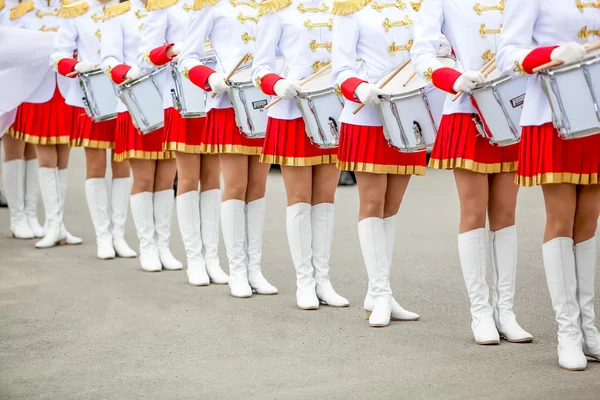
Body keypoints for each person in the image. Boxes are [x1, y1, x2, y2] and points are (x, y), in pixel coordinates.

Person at [410, 0, 532, 343]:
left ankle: (506, 312)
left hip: (511, 108)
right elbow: (422, 54)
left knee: (506, 212)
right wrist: (454, 77)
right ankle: (480, 313)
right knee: (474, 210)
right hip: (466, 109)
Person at [497, 0, 600, 371]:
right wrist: (552, 52)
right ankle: (568, 332)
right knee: (562, 220)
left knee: (588, 222)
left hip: (596, 109)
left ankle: (588, 328)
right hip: (553, 113)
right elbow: (507, 54)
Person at [252, 0, 349, 309]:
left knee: (325, 198)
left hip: (332, 109)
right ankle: (304, 281)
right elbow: (260, 67)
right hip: (292, 112)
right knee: (300, 198)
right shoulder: (276, 10)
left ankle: (323, 279)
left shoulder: (340, 8)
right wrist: (277, 83)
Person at [331, 0, 422, 327]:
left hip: (406, 113)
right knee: (372, 202)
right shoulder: (350, 9)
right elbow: (339, 70)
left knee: (392, 205)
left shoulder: (412, 7)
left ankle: (378, 292)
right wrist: (360, 88)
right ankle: (381, 292)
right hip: (366, 116)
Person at [179, 0, 277, 298]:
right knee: (236, 185)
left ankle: (254, 269)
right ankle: (236, 270)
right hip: (228, 104)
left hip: (262, 102)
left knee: (258, 186)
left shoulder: (269, 6)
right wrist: (210, 78)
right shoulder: (210, 6)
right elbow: (187, 59)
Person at [136, 0, 229, 286]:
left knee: (212, 178)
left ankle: (212, 257)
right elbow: (143, 58)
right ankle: (195, 259)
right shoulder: (165, 5)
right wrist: (173, 50)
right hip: (180, 97)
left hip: (215, 94)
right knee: (188, 178)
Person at [51, 0, 137, 260]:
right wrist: (76, 66)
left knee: (123, 164)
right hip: (91, 93)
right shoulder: (76, 10)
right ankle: (103, 235)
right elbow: (57, 54)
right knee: (96, 165)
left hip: (125, 91)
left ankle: (119, 235)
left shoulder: (131, 9)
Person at [101, 0, 181, 272]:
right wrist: (127, 72)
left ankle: (163, 246)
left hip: (171, 99)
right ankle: (147, 246)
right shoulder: (118, 12)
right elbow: (108, 60)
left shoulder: (174, 6)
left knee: (166, 179)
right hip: (136, 97)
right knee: (145, 179)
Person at [8, 0, 82, 248]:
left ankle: (56, 224)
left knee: (63, 158)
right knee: (45, 157)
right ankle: (30, 218)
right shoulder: (23, 12)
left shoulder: (73, 10)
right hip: (36, 90)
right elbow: (11, 49)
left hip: (65, 89)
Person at [0, 0, 45, 237]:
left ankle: (30, 213)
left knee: (32, 148)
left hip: (34, 83)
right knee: (14, 147)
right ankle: (17, 216)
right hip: (8, 84)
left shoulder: (37, 7)